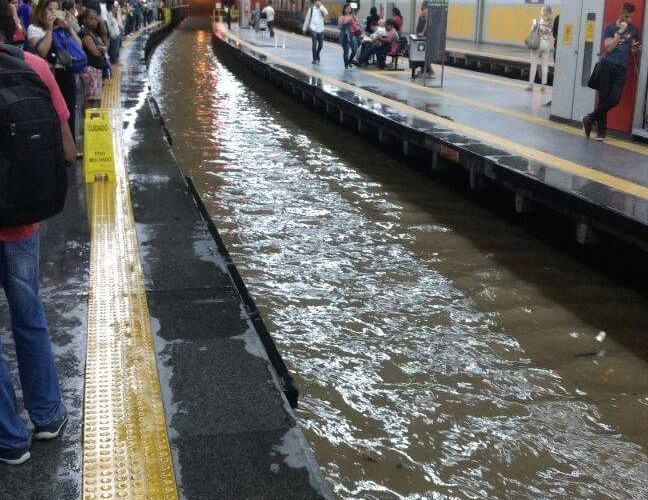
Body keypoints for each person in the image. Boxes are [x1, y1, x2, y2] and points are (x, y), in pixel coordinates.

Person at [0, 17, 75, 467]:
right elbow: (67, 149)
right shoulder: (35, 66)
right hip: (21, 225)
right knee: (28, 317)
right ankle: (47, 416)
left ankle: (10, 440)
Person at [583, 2, 640, 141]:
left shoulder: (634, 29)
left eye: (631, 17)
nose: (629, 20)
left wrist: (635, 48)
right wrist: (620, 32)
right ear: (621, 13)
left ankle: (590, 118)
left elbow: (634, 47)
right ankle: (601, 132)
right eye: (627, 16)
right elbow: (608, 48)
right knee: (603, 98)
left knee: (614, 98)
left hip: (621, 68)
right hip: (606, 66)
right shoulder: (610, 28)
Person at [28, 0, 83, 139]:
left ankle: (70, 146)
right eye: (49, 9)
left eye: (56, 10)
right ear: (41, 10)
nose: (53, 13)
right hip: (48, 75)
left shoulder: (62, 28)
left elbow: (79, 47)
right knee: (53, 113)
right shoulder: (34, 29)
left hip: (66, 73)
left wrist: (70, 28)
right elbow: (43, 51)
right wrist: (50, 29)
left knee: (69, 112)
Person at [78, 8, 105, 108]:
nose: (94, 21)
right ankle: (88, 117)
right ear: (85, 20)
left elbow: (102, 45)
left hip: (94, 69)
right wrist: (101, 48)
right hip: (90, 69)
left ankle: (90, 116)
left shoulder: (92, 32)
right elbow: (95, 52)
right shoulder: (85, 33)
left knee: (93, 97)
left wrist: (100, 47)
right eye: (91, 19)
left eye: (96, 19)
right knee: (91, 98)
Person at [525, 5, 553, 92]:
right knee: (545, 65)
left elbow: (532, 33)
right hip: (547, 45)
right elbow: (551, 36)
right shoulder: (551, 24)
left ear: (542, 13)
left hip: (537, 45)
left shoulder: (537, 22)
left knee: (534, 64)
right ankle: (543, 86)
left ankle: (531, 85)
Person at [302, 0, 327, 65]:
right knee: (314, 44)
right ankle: (314, 59)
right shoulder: (311, 10)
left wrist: (321, 6)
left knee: (321, 45)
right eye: (317, 1)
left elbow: (326, 13)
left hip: (321, 29)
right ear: (315, 2)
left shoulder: (322, 9)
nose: (318, 2)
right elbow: (307, 19)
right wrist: (304, 28)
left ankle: (317, 54)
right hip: (313, 28)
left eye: (320, 1)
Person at [338, 3, 358, 69]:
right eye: (347, 8)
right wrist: (346, 23)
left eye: (349, 8)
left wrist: (355, 20)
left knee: (355, 50)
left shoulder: (353, 16)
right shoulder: (341, 17)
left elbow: (357, 24)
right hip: (344, 35)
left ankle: (349, 61)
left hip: (352, 35)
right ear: (344, 9)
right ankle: (346, 66)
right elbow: (339, 27)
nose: (348, 9)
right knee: (346, 51)